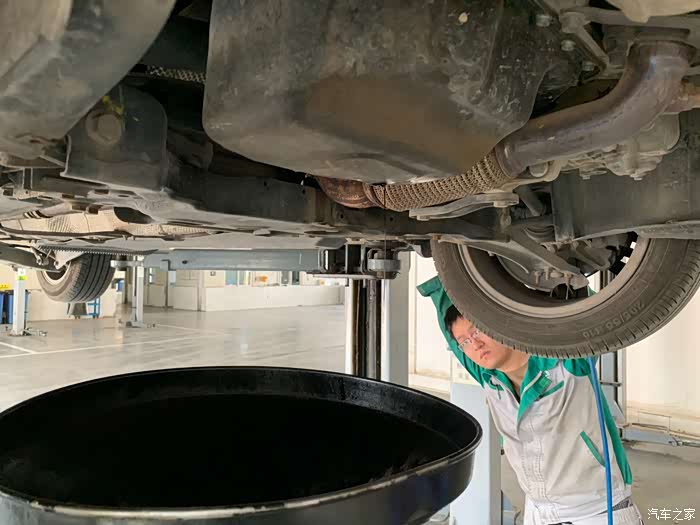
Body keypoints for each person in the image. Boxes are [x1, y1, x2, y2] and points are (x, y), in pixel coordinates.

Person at [418, 276, 643, 525]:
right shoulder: (489, 377)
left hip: (595, 511)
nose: (475, 344)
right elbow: (445, 295)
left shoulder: (565, 360)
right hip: (538, 512)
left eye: (477, 331)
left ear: (499, 322)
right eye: (465, 342)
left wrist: (556, 273)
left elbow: (588, 311)